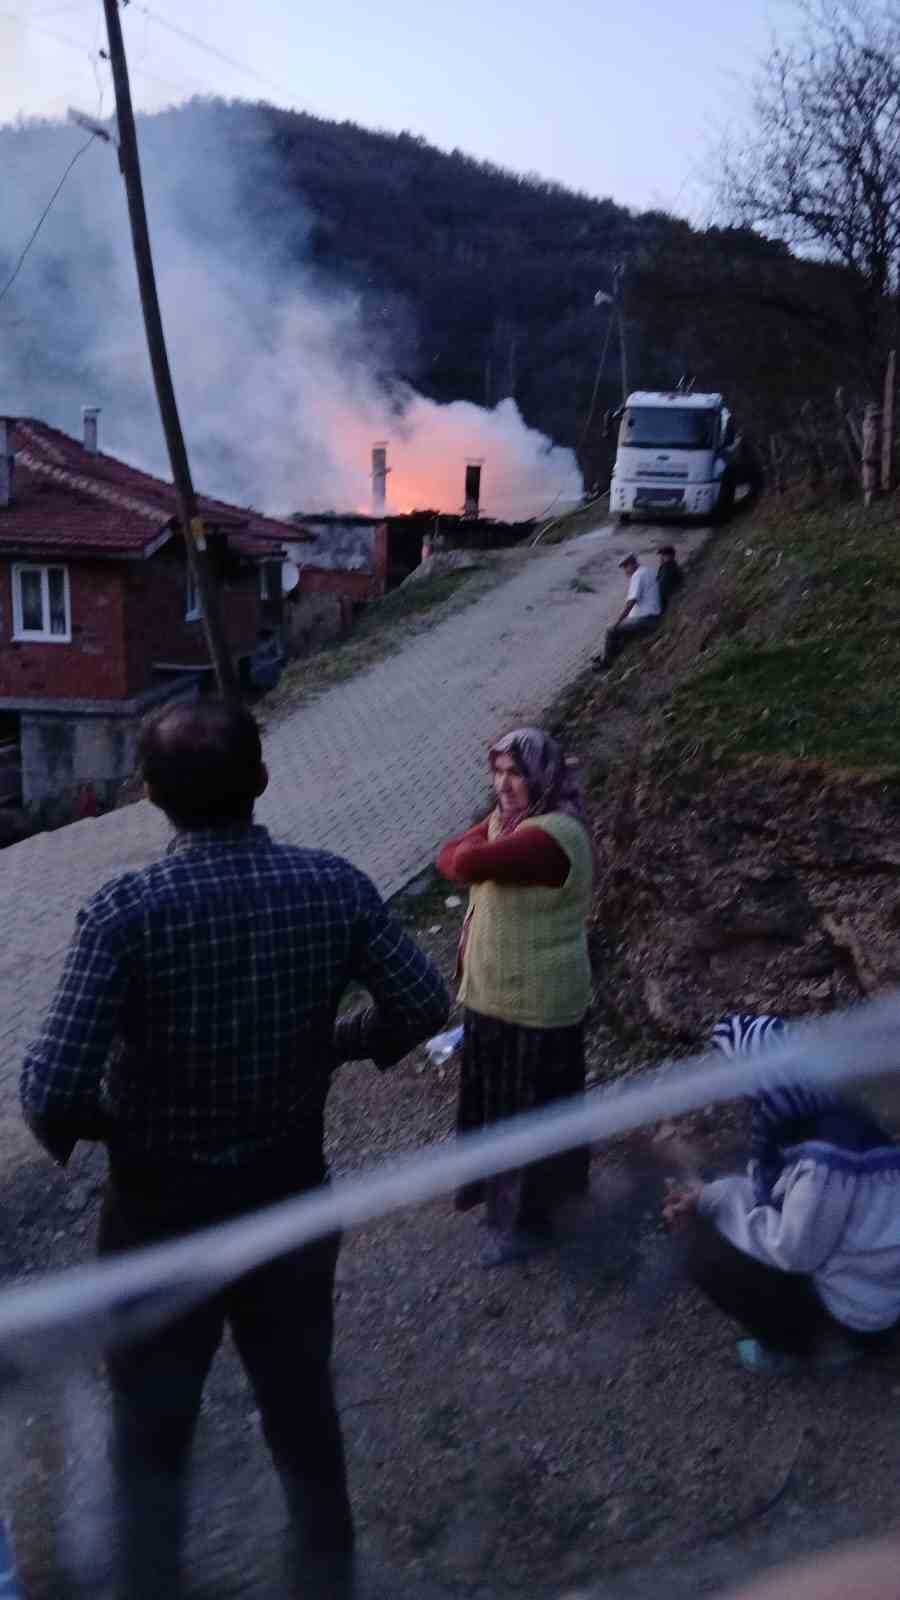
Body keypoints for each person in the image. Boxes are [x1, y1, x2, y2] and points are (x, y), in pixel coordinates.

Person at [19, 701, 449, 1599]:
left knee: (151, 1435)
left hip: (157, 1218)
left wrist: (120, 1126)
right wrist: (332, 1043)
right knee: (300, 1414)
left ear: (150, 796)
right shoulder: (334, 887)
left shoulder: (124, 913)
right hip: (290, 1197)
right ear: (260, 780)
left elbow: (52, 1091)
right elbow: (422, 1006)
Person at [664, 1013, 900, 1374]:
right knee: (714, 1212)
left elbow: (795, 1249)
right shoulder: (828, 1117)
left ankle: (818, 1349)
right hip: (877, 1294)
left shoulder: (825, 1155)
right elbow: (786, 1199)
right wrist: (710, 1193)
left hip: (860, 1318)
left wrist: (719, 1202)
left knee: (698, 1246)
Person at [437, 727, 594, 1268]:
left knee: (530, 1116)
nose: (504, 784)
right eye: (498, 771)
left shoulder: (552, 835)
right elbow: (448, 857)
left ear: (542, 777)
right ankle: (511, 1210)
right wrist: (479, 837)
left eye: (516, 773)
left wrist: (475, 840)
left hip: (537, 1004)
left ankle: (534, 1225)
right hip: (494, 998)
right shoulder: (512, 824)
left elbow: (462, 863)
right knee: (500, 1110)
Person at [594, 552, 661, 669]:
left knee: (611, 630)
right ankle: (607, 657)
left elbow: (631, 602)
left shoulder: (637, 575)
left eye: (625, 567)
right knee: (621, 634)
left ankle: (606, 664)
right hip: (652, 616)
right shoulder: (649, 571)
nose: (625, 571)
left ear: (631, 564)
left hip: (646, 620)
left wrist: (618, 621)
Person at [655, 544, 684, 611]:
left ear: (670, 556)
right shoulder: (664, 567)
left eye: (663, 555)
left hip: (667, 604)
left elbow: (663, 588)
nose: (661, 557)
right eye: (661, 555)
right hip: (663, 602)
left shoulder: (670, 569)